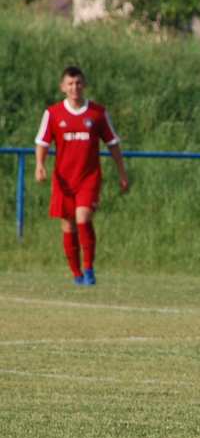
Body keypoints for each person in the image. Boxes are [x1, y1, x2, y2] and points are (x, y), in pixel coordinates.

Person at [34, 66, 129, 285]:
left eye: (78, 83)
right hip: (63, 180)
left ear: (84, 85)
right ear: (63, 87)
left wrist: (122, 172)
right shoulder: (53, 113)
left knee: (83, 219)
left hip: (88, 177)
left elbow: (113, 143)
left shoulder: (97, 113)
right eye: (70, 83)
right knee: (68, 225)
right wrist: (40, 165)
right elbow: (42, 142)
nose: (74, 87)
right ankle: (76, 273)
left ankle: (88, 269)